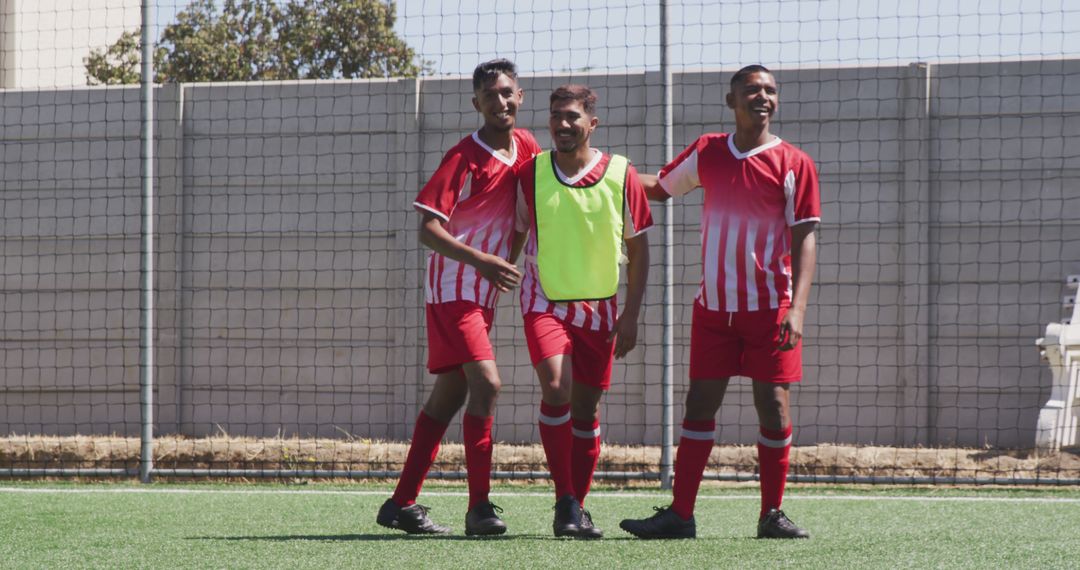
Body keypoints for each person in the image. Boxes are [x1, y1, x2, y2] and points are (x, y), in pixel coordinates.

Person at [620, 64, 820, 540]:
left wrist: (797, 309)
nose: (763, 97)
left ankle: (772, 514)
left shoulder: (795, 163)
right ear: (731, 100)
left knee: (773, 406)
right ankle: (680, 515)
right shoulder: (709, 151)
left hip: (771, 310)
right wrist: (606, 170)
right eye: (752, 90)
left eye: (770, 90)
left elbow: (806, 238)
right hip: (713, 311)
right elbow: (661, 189)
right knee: (699, 406)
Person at [377, 59, 543, 536]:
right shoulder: (463, 157)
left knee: (450, 396)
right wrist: (483, 262)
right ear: (477, 104)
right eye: (490, 96)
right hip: (453, 288)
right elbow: (427, 229)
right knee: (487, 384)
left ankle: (401, 503)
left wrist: (506, 263)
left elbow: (525, 214)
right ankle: (480, 508)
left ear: (520, 96)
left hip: (481, 293)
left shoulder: (528, 147)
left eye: (507, 92)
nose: (501, 101)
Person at [511, 84, 653, 539]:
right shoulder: (529, 173)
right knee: (557, 386)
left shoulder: (621, 173)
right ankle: (564, 502)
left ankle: (578, 506)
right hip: (543, 301)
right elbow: (514, 232)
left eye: (572, 116)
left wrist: (630, 315)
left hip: (600, 310)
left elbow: (640, 248)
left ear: (592, 124)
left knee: (587, 410)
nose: (563, 124)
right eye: (556, 116)